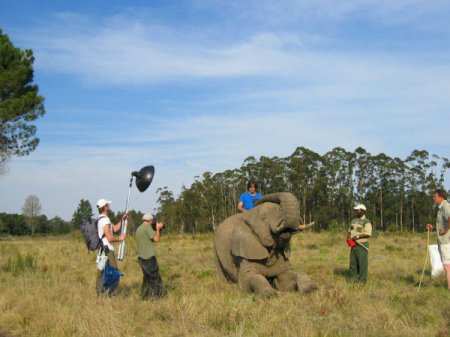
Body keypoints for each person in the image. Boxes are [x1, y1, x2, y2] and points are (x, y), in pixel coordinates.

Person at [95, 198, 127, 295]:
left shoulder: (102, 219)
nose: (109, 206)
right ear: (104, 207)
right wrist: (120, 239)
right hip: (107, 250)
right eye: (107, 205)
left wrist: (122, 219)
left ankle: (100, 292)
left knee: (103, 271)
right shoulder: (105, 220)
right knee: (114, 273)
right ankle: (110, 294)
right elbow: (109, 238)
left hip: (103, 250)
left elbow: (115, 228)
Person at [135, 213, 166, 299]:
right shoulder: (147, 227)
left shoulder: (139, 228)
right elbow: (156, 239)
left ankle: (144, 296)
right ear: (150, 220)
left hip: (141, 258)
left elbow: (147, 239)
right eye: (153, 220)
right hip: (149, 257)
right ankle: (158, 296)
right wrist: (158, 229)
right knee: (155, 278)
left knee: (146, 278)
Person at [426, 189, 450, 289]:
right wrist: (432, 227)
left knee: (447, 265)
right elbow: (442, 223)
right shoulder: (440, 208)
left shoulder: (445, 206)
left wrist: (445, 230)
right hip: (442, 241)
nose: (433, 198)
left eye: (435, 196)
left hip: (446, 241)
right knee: (446, 264)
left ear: (441, 197)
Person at [347, 204, 372, 283]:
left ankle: (362, 281)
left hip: (362, 245)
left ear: (363, 211)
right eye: (356, 210)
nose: (356, 211)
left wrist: (357, 237)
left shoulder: (366, 222)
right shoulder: (353, 220)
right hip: (353, 245)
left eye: (358, 210)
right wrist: (348, 238)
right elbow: (349, 230)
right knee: (353, 263)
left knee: (362, 264)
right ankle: (352, 279)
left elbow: (368, 233)